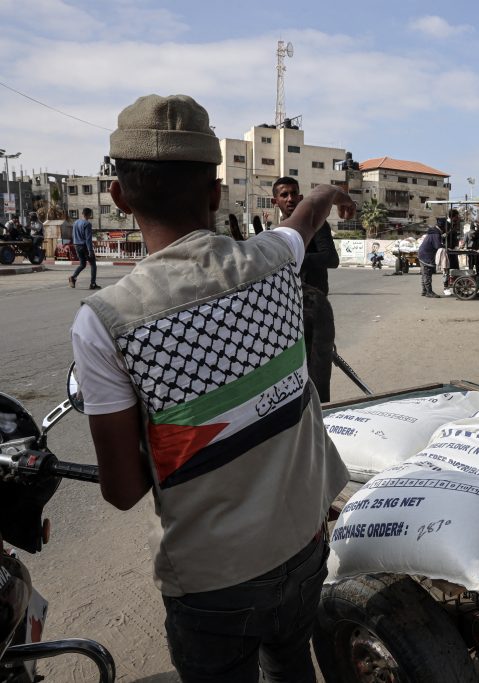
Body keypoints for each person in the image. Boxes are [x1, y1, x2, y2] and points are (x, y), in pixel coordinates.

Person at [69, 94, 353, 683]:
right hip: (304, 544)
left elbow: (123, 490)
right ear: (216, 192)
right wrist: (325, 194)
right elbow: (302, 225)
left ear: (119, 198)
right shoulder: (273, 262)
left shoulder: (106, 320)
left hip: (212, 579)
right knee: (293, 664)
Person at [271, 176, 340, 401]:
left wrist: (295, 257)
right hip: (288, 310)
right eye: (284, 195)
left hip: (315, 310)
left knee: (318, 377)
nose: (290, 199)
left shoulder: (317, 225)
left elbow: (331, 258)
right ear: (275, 201)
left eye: (294, 194)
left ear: (301, 198)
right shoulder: (276, 232)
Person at [69, 207, 99, 289]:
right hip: (84, 246)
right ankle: (93, 284)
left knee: (82, 264)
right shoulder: (87, 224)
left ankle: (73, 277)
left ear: (82, 213)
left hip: (77, 245)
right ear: (89, 215)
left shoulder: (75, 222)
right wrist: (90, 250)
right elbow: (88, 238)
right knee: (93, 265)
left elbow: (73, 235)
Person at [418, 219, 443, 298]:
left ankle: (424, 291)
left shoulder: (433, 232)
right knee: (427, 273)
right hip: (426, 255)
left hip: (423, 253)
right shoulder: (436, 233)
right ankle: (429, 292)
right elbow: (437, 246)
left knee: (424, 273)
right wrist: (445, 246)